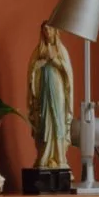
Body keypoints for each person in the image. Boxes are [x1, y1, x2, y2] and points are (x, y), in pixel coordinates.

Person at [27, 23, 74, 170]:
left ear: (55, 31)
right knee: (44, 119)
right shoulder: (39, 50)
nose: (46, 31)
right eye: (44, 29)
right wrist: (39, 65)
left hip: (57, 88)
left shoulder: (61, 50)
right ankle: (44, 155)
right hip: (43, 90)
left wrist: (55, 62)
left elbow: (68, 73)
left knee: (57, 118)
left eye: (49, 28)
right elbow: (31, 71)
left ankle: (59, 156)